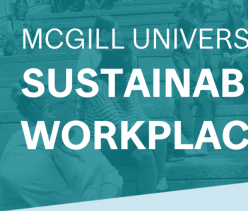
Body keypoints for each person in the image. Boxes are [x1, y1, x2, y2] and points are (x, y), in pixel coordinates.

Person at [0, 78, 123, 210]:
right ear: (50, 111)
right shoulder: (24, 152)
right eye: (73, 101)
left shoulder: (76, 133)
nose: (80, 105)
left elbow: (110, 174)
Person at [84, 39, 168, 194]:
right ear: (121, 60)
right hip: (103, 146)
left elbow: (141, 116)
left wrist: (152, 132)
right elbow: (116, 127)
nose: (135, 58)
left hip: (124, 142)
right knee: (159, 128)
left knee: (147, 155)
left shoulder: (126, 81)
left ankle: (158, 184)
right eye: (133, 55)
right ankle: (166, 169)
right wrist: (150, 130)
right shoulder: (97, 87)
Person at [172, 12, 218, 157]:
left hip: (204, 90)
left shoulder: (205, 49)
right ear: (190, 31)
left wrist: (209, 84)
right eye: (198, 28)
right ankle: (190, 141)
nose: (200, 31)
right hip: (187, 89)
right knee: (184, 103)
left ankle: (203, 142)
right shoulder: (178, 53)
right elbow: (187, 75)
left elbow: (215, 69)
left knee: (208, 103)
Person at [218, 0, 248, 104]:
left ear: (243, 9)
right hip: (228, 58)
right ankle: (223, 95)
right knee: (225, 61)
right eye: (233, 7)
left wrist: (238, 56)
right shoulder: (223, 28)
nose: (236, 9)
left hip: (244, 59)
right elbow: (223, 49)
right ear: (229, 9)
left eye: (239, 7)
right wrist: (229, 56)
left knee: (239, 61)